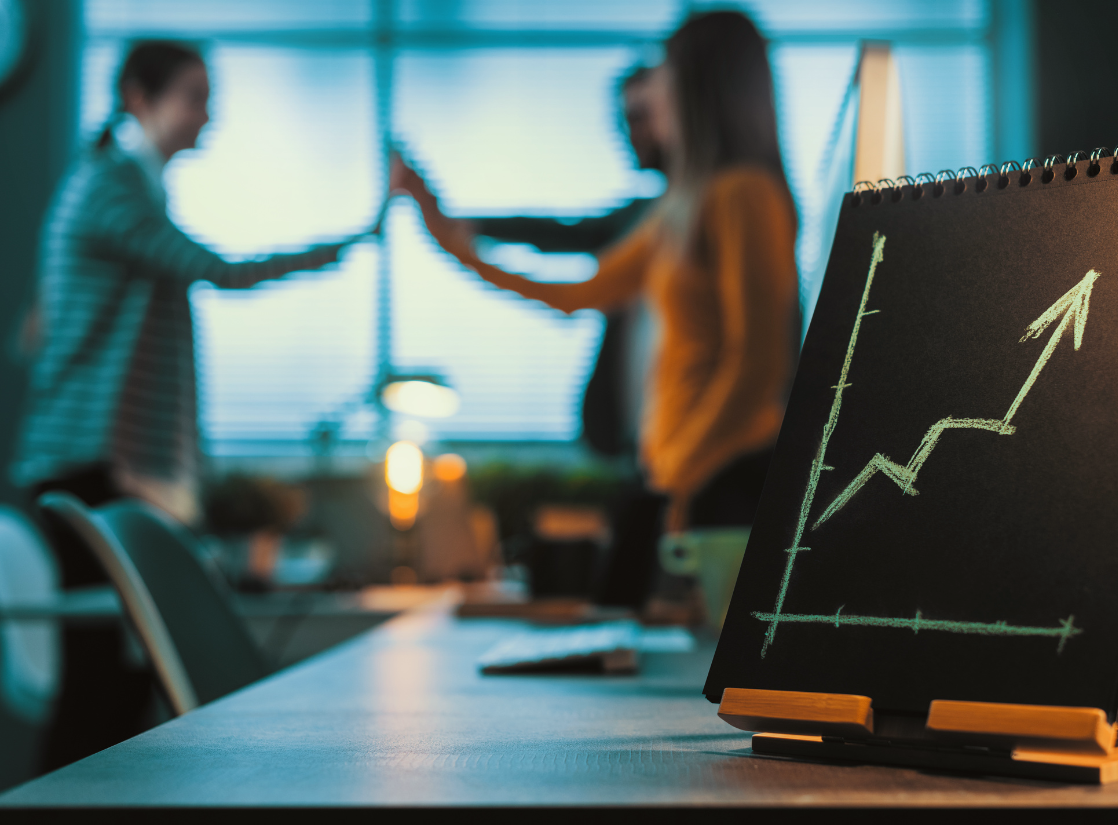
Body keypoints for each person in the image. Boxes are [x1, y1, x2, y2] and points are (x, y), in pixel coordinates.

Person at [13, 40, 384, 770]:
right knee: (101, 686)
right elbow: (215, 269)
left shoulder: (125, 185)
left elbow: (41, 325)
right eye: (194, 97)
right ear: (138, 98)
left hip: (95, 456)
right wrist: (342, 245)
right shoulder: (112, 186)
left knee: (120, 683)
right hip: (86, 459)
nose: (208, 116)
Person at [394, 11, 799, 607]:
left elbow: (759, 368)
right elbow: (574, 296)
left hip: (724, 474)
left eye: (663, 72)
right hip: (680, 474)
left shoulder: (745, 194)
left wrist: (679, 475)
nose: (652, 90)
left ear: (697, 82)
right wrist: (453, 245)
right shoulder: (679, 206)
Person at [469, 65, 666, 458]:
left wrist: (458, 242)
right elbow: (565, 234)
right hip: (645, 433)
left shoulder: (710, 209)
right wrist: (465, 230)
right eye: (623, 120)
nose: (628, 134)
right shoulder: (650, 217)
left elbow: (571, 292)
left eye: (640, 116)